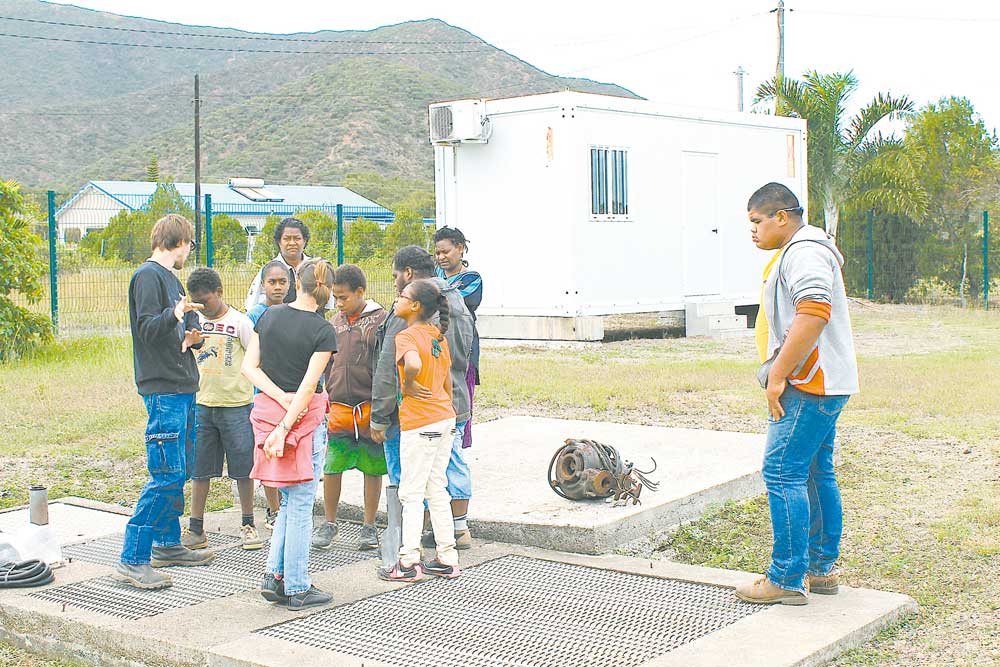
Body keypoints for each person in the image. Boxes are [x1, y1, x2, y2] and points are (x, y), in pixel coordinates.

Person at [735, 183, 860, 606]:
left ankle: (786, 578)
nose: (753, 231)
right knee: (814, 471)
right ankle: (818, 569)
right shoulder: (805, 248)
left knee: (781, 472)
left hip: (809, 385)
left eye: (757, 221)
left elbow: (813, 313)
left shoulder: (804, 252)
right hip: (825, 383)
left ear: (782, 217)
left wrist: (778, 375)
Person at [117, 214, 214, 590]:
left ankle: (167, 542)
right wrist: (174, 314)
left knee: (181, 468)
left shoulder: (171, 280)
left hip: (182, 384)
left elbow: (171, 330)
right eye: (190, 244)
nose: (189, 251)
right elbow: (145, 328)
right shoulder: (147, 276)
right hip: (163, 390)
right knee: (166, 473)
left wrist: (190, 336)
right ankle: (133, 556)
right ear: (181, 242)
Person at [242, 259, 338, 610]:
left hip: (268, 415)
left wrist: (278, 397)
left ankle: (275, 575)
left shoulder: (269, 316)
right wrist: (287, 423)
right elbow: (310, 385)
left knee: (287, 500)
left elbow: (248, 368)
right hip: (303, 421)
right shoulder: (323, 330)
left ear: (298, 281)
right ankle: (297, 585)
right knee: (300, 503)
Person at [371, 246, 474, 550]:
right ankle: (457, 530)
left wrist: (380, 415)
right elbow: (464, 355)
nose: (395, 286)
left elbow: (389, 367)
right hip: (451, 402)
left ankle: (408, 543)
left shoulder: (409, 313)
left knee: (410, 478)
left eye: (396, 277)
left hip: (414, 411)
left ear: (409, 274)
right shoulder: (455, 300)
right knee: (449, 468)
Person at [378, 279, 458, 581]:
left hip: (420, 422)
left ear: (414, 306)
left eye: (401, 296)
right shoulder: (438, 336)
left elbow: (411, 364)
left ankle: (409, 561)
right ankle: (447, 557)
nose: (396, 300)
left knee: (411, 492)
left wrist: (409, 384)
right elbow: (447, 381)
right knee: (437, 488)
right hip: (444, 418)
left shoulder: (406, 335)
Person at [183, 268, 263, 551]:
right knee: (200, 469)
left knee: (243, 468)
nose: (202, 307)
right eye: (196, 302)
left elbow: (256, 357)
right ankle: (196, 527)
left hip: (236, 406)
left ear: (219, 292)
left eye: (205, 300)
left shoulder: (240, 322)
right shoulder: (193, 322)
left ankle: (249, 523)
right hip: (202, 404)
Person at [312, 265, 388, 551]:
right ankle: (329, 522)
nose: (339, 303)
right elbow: (326, 363)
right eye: (335, 298)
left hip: (369, 407)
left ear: (360, 292)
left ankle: (369, 526)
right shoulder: (334, 323)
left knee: (372, 467)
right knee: (332, 466)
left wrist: (382, 410)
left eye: (343, 297)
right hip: (339, 408)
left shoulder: (381, 321)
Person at [246, 259, 290, 529]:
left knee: (289, 451)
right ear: (263, 284)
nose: (277, 287)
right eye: (272, 282)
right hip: (264, 394)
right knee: (267, 451)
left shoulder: (294, 312)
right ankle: (274, 509)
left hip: (290, 393)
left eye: (282, 282)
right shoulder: (254, 316)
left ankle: (289, 507)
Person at [433, 227, 482, 451]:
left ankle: (458, 448)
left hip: (463, 347)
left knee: (461, 397)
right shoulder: (435, 274)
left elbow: (452, 301)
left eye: (446, 251)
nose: (441, 257)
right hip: (437, 343)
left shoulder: (472, 279)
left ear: (460, 248)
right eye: (437, 253)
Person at [245, 217, 333, 311]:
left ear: (305, 241)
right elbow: (251, 305)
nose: (292, 243)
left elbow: (328, 304)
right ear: (279, 242)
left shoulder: (316, 267)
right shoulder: (269, 270)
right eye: (287, 239)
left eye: (297, 238)